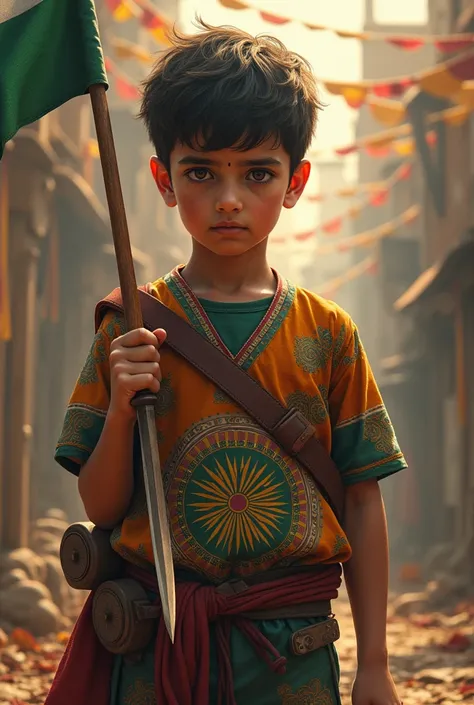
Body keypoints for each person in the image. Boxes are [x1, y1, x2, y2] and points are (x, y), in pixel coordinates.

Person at [46, 21, 406, 705]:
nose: (230, 198)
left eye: (258, 173)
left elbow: (363, 496)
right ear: (164, 179)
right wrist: (122, 409)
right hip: (161, 650)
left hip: (292, 653)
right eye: (202, 172)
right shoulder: (130, 323)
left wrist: (376, 665)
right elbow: (99, 502)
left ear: (295, 182)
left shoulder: (328, 333)